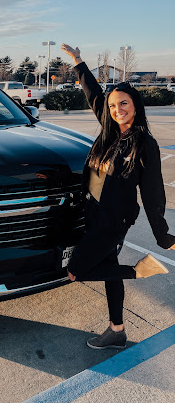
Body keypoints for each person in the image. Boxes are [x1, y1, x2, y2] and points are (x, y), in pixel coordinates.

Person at [61, 43, 175, 350]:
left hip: (113, 220)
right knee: (107, 269)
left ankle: (137, 271)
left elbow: (153, 195)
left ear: (135, 105)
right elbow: (94, 95)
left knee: (75, 271)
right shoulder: (110, 131)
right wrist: (79, 63)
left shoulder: (144, 144)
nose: (116, 110)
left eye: (123, 104)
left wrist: (162, 235)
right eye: (113, 106)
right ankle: (117, 329)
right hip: (93, 214)